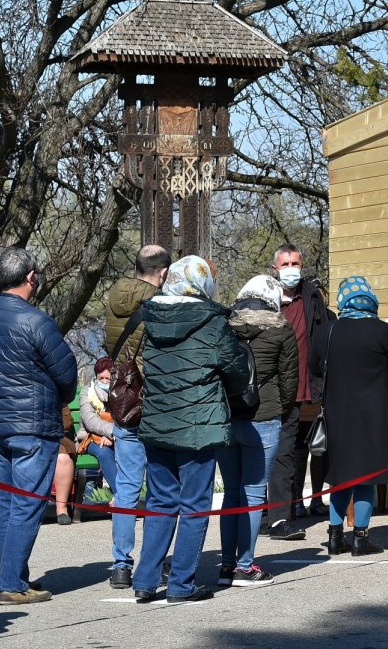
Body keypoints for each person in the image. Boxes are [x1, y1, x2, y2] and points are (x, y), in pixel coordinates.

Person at [132, 256, 249, 603]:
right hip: (198, 426)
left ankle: (145, 580)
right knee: (194, 505)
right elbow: (238, 372)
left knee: (160, 503)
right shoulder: (212, 321)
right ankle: (182, 583)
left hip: (156, 423)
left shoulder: (149, 318)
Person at [0, 247, 78, 605]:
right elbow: (66, 373)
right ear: (31, 277)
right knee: (28, 504)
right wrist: (61, 397)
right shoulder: (36, 320)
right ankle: (11, 584)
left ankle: (14, 576)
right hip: (34, 424)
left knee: (6, 504)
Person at [312, 276, 388, 555]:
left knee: (340, 477)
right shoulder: (384, 331)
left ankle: (334, 537)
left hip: (337, 416)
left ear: (343, 300)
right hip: (375, 418)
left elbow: (315, 370)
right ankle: (361, 539)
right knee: (367, 478)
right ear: (370, 298)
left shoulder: (326, 332)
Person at [216, 275, 300, 587]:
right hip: (264, 417)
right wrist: (281, 407)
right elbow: (290, 378)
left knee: (232, 495)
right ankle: (245, 566)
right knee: (253, 495)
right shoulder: (281, 327)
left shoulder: (225, 324)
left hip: (227, 417)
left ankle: (226, 565)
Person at [102, 244, 170, 590]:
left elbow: (111, 346)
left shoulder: (114, 299)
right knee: (159, 489)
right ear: (163, 273)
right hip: (154, 404)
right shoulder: (160, 302)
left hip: (123, 403)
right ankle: (153, 564)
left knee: (127, 487)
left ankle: (120, 565)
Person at [264, 243, 333, 540]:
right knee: (268, 454)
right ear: (274, 269)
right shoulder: (264, 297)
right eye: (285, 264)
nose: (291, 270)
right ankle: (266, 515)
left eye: (295, 264)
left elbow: (324, 333)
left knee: (289, 454)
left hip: (300, 388)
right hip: (268, 388)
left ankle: (281, 517)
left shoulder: (311, 297)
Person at [76, 358, 118, 495]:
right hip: (89, 438)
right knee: (104, 452)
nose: (105, 382)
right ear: (96, 377)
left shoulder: (120, 392)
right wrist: (111, 433)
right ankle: (121, 496)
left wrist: (114, 436)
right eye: (101, 378)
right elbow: (90, 421)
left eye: (108, 378)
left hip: (116, 437)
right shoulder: (87, 392)